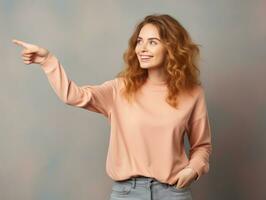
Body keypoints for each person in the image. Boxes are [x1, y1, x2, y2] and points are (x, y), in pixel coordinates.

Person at [13, 13, 212, 200]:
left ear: (172, 48)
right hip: (128, 193)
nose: (142, 48)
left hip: (173, 193)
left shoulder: (193, 94)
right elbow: (73, 96)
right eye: (140, 41)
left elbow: (202, 146)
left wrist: (192, 170)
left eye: (152, 42)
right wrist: (48, 61)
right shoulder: (120, 88)